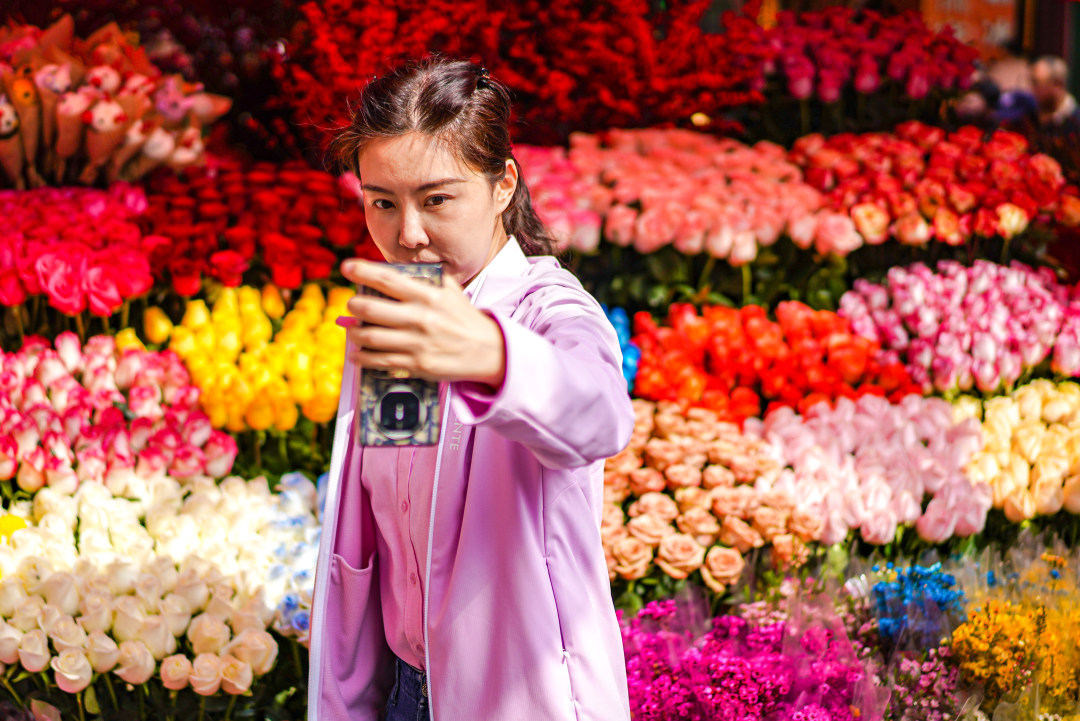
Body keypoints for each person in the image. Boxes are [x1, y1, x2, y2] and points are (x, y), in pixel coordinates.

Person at [307, 56, 635, 721]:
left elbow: (599, 415)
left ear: (502, 184)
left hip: (520, 698)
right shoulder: (407, 316)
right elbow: (385, 525)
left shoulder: (548, 311)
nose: (408, 234)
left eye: (436, 198)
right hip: (405, 691)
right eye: (382, 202)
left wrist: (493, 356)